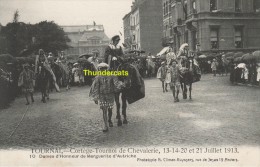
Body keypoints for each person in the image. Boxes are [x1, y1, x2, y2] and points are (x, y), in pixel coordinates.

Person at [89, 63, 125, 132]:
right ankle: (105, 125)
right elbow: (96, 88)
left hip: (110, 95)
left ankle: (109, 120)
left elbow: (116, 84)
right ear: (99, 69)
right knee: (104, 110)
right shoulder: (98, 78)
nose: (103, 70)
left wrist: (121, 85)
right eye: (101, 69)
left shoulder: (112, 76)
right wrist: (96, 98)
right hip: (102, 96)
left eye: (104, 68)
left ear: (107, 69)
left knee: (110, 110)